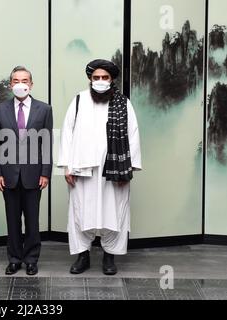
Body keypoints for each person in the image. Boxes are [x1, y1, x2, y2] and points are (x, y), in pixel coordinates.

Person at [57, 59, 142, 275]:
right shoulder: (78, 100)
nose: (101, 81)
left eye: (105, 78)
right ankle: (82, 256)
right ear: (90, 79)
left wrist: (128, 168)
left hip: (113, 170)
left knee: (113, 212)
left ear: (112, 79)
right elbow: (67, 133)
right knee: (80, 211)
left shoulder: (123, 103)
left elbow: (133, 135)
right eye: (96, 78)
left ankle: (109, 257)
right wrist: (67, 166)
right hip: (82, 169)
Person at [0, 66, 53, 276]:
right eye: (16, 81)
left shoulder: (44, 109)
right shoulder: (0, 109)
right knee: (12, 220)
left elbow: (47, 143)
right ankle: (15, 259)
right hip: (8, 175)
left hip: (34, 175)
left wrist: (45, 173)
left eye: (24, 80)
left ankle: (31, 259)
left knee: (33, 221)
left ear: (31, 84)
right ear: (11, 85)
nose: (20, 84)